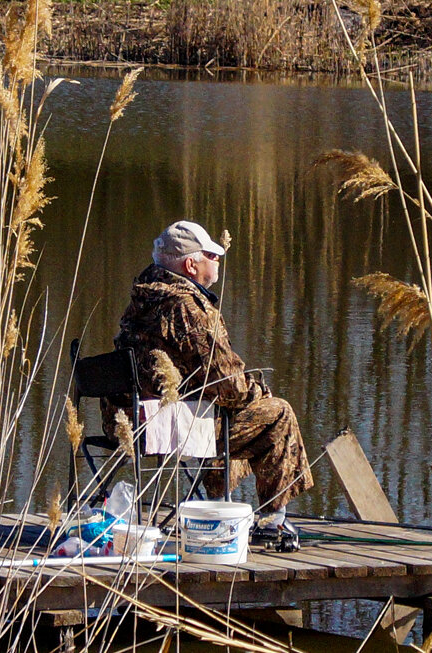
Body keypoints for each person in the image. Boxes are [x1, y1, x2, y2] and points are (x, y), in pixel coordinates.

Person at [105, 220, 313, 540]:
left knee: (222, 409)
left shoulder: (141, 299)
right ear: (191, 265)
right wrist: (259, 390)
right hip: (166, 427)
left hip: (127, 421)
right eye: (211, 256)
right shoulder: (187, 307)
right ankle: (272, 519)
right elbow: (229, 384)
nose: (218, 261)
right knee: (276, 414)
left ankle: (216, 504)